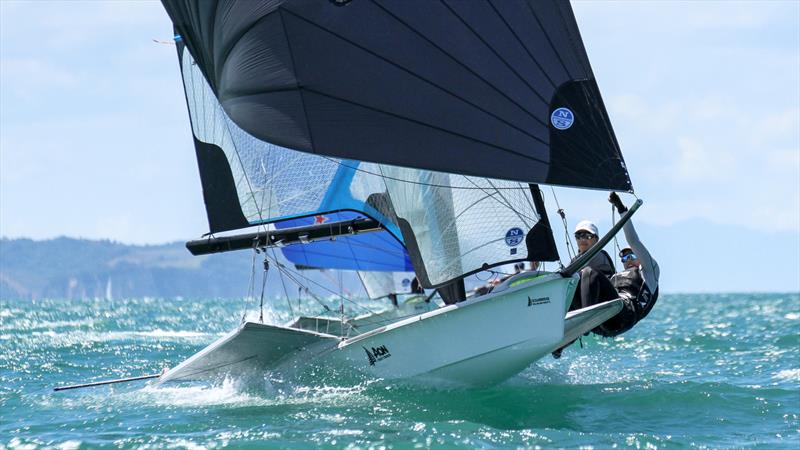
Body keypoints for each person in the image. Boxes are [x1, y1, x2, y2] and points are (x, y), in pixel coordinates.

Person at [593, 192, 661, 336]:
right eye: (624, 259)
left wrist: (621, 208)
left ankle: (587, 319)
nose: (628, 260)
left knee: (591, 274)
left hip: (622, 317)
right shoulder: (616, 276)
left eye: (631, 255)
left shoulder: (649, 271)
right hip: (603, 322)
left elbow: (633, 241)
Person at [569, 220, 617, 311]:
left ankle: (586, 316)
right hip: (585, 301)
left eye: (588, 236)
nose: (582, 239)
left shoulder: (599, 254)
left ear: (596, 240)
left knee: (586, 273)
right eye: (578, 236)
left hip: (604, 300)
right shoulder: (576, 260)